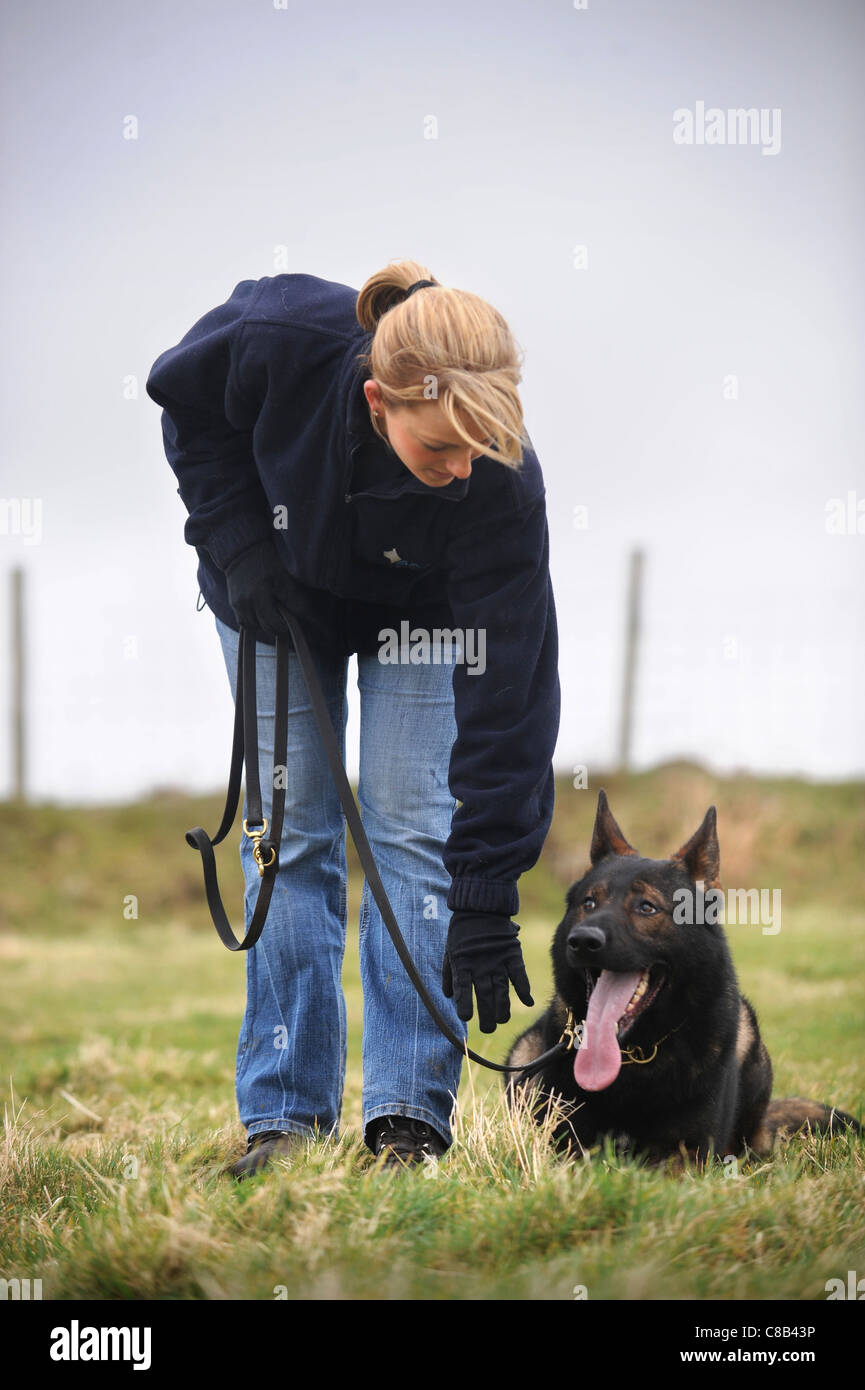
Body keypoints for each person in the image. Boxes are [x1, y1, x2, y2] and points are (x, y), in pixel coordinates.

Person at [146, 259, 560, 1174]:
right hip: (272, 597)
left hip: (420, 619)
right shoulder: (277, 336)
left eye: (475, 454)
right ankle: (285, 1123)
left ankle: (407, 1123)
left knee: (412, 834)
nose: (458, 474)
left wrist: (488, 887)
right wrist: (240, 545)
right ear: (379, 401)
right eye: (437, 451)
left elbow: (512, 695)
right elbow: (185, 403)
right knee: (291, 839)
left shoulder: (498, 483)